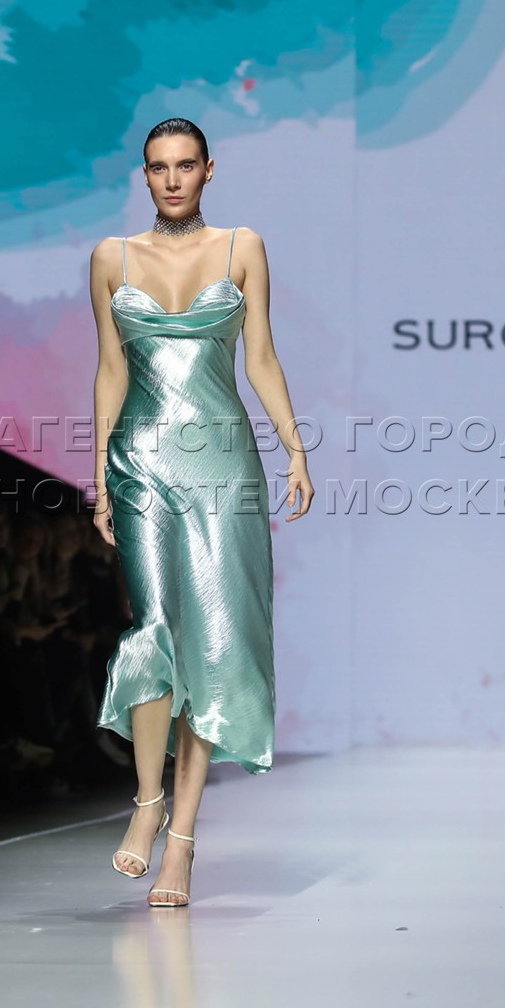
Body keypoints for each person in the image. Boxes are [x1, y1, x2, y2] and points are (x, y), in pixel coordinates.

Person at [89, 117, 313, 907]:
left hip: (222, 463)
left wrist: (295, 449)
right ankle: (147, 803)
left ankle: (181, 842)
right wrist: (98, 474)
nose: (173, 179)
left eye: (185, 165)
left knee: (213, 645)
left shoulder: (241, 247)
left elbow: (261, 357)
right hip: (141, 460)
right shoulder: (112, 258)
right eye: (159, 167)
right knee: (153, 628)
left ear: (208, 170)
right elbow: (110, 369)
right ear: (144, 175)